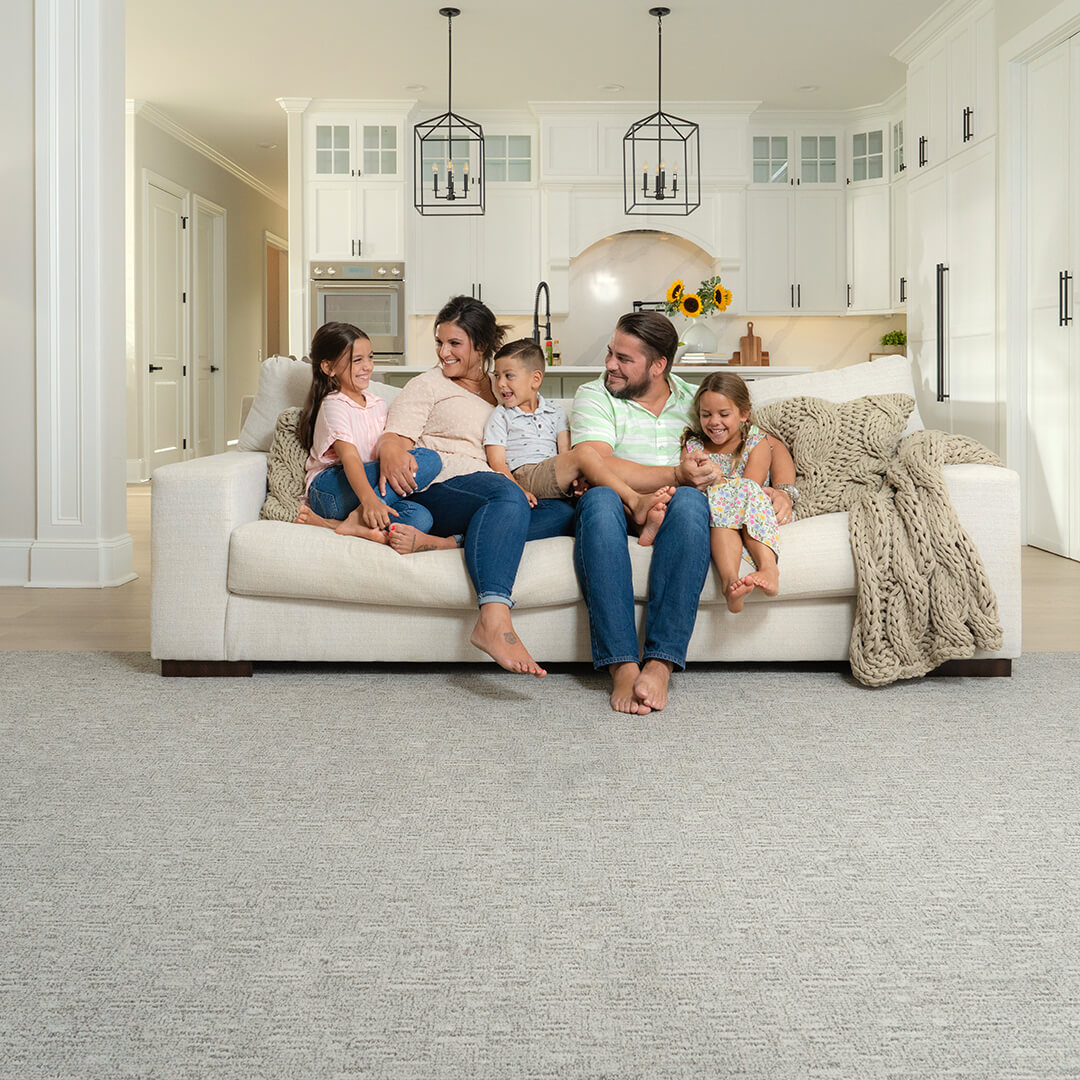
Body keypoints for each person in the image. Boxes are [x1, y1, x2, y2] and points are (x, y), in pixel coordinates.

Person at [570, 311, 798, 715]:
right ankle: (621, 663)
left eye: (623, 358)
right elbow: (598, 463)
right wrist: (677, 473)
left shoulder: (696, 401)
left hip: (676, 504)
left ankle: (660, 662)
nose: (609, 365)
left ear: (658, 366)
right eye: (611, 353)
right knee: (600, 500)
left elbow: (761, 437)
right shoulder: (595, 395)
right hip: (615, 499)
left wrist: (783, 491)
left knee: (693, 501)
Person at [376, 296, 577, 677]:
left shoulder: (504, 387)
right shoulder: (428, 385)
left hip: (494, 490)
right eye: (439, 342)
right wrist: (390, 451)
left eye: (454, 344)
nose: (443, 353)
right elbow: (393, 438)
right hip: (441, 484)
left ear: (480, 347)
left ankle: (448, 542)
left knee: (565, 511)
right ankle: (494, 616)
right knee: (506, 494)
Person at [483, 339, 673, 541]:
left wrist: (575, 481)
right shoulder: (501, 416)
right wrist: (519, 490)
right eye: (497, 376)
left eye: (508, 376)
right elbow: (497, 462)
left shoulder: (554, 411)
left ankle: (639, 525)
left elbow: (565, 454)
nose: (500, 383)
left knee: (595, 482)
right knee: (586, 453)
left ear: (535, 379)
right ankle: (635, 500)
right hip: (524, 475)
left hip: (552, 475)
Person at [294, 321, 442, 542]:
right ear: (328, 367)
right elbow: (351, 457)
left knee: (422, 518)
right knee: (429, 458)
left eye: (370, 357)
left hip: (363, 492)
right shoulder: (333, 404)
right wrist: (371, 502)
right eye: (357, 360)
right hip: (330, 490)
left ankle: (344, 524)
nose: (367, 366)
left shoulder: (377, 403)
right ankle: (358, 516)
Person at [682, 372, 780, 613]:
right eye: (706, 414)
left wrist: (718, 479)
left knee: (738, 494)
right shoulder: (693, 446)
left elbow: (749, 487)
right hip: (717, 516)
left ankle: (768, 567)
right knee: (719, 508)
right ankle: (729, 584)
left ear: (744, 413)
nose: (714, 421)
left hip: (749, 511)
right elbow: (688, 481)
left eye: (724, 414)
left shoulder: (757, 442)